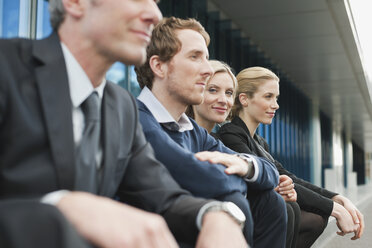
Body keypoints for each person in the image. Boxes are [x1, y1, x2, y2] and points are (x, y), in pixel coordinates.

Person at [0, 0, 253, 247]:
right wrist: (60, 208)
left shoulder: (122, 106)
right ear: (75, 3)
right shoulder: (6, 67)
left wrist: (214, 215)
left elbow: (162, 197)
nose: (154, 14)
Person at [135, 16, 287, 248]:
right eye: (195, 57)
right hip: (152, 233)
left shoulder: (192, 130)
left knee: (269, 201)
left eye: (206, 58)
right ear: (159, 66)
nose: (207, 70)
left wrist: (245, 167)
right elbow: (206, 179)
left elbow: (270, 172)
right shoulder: (137, 119)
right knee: (234, 200)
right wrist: (237, 179)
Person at [217, 66, 365, 247]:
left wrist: (336, 199)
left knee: (316, 218)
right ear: (245, 99)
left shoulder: (259, 142)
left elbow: (289, 178)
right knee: (292, 209)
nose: (276, 104)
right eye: (268, 96)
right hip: (244, 216)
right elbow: (275, 180)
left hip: (266, 213)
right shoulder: (230, 134)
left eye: (276, 98)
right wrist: (336, 210)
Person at [187, 60, 301, 248]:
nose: (223, 99)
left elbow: (270, 170)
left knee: (282, 205)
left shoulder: (214, 140)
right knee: (275, 203)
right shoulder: (221, 135)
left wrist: (271, 181)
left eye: (228, 92)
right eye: (213, 90)